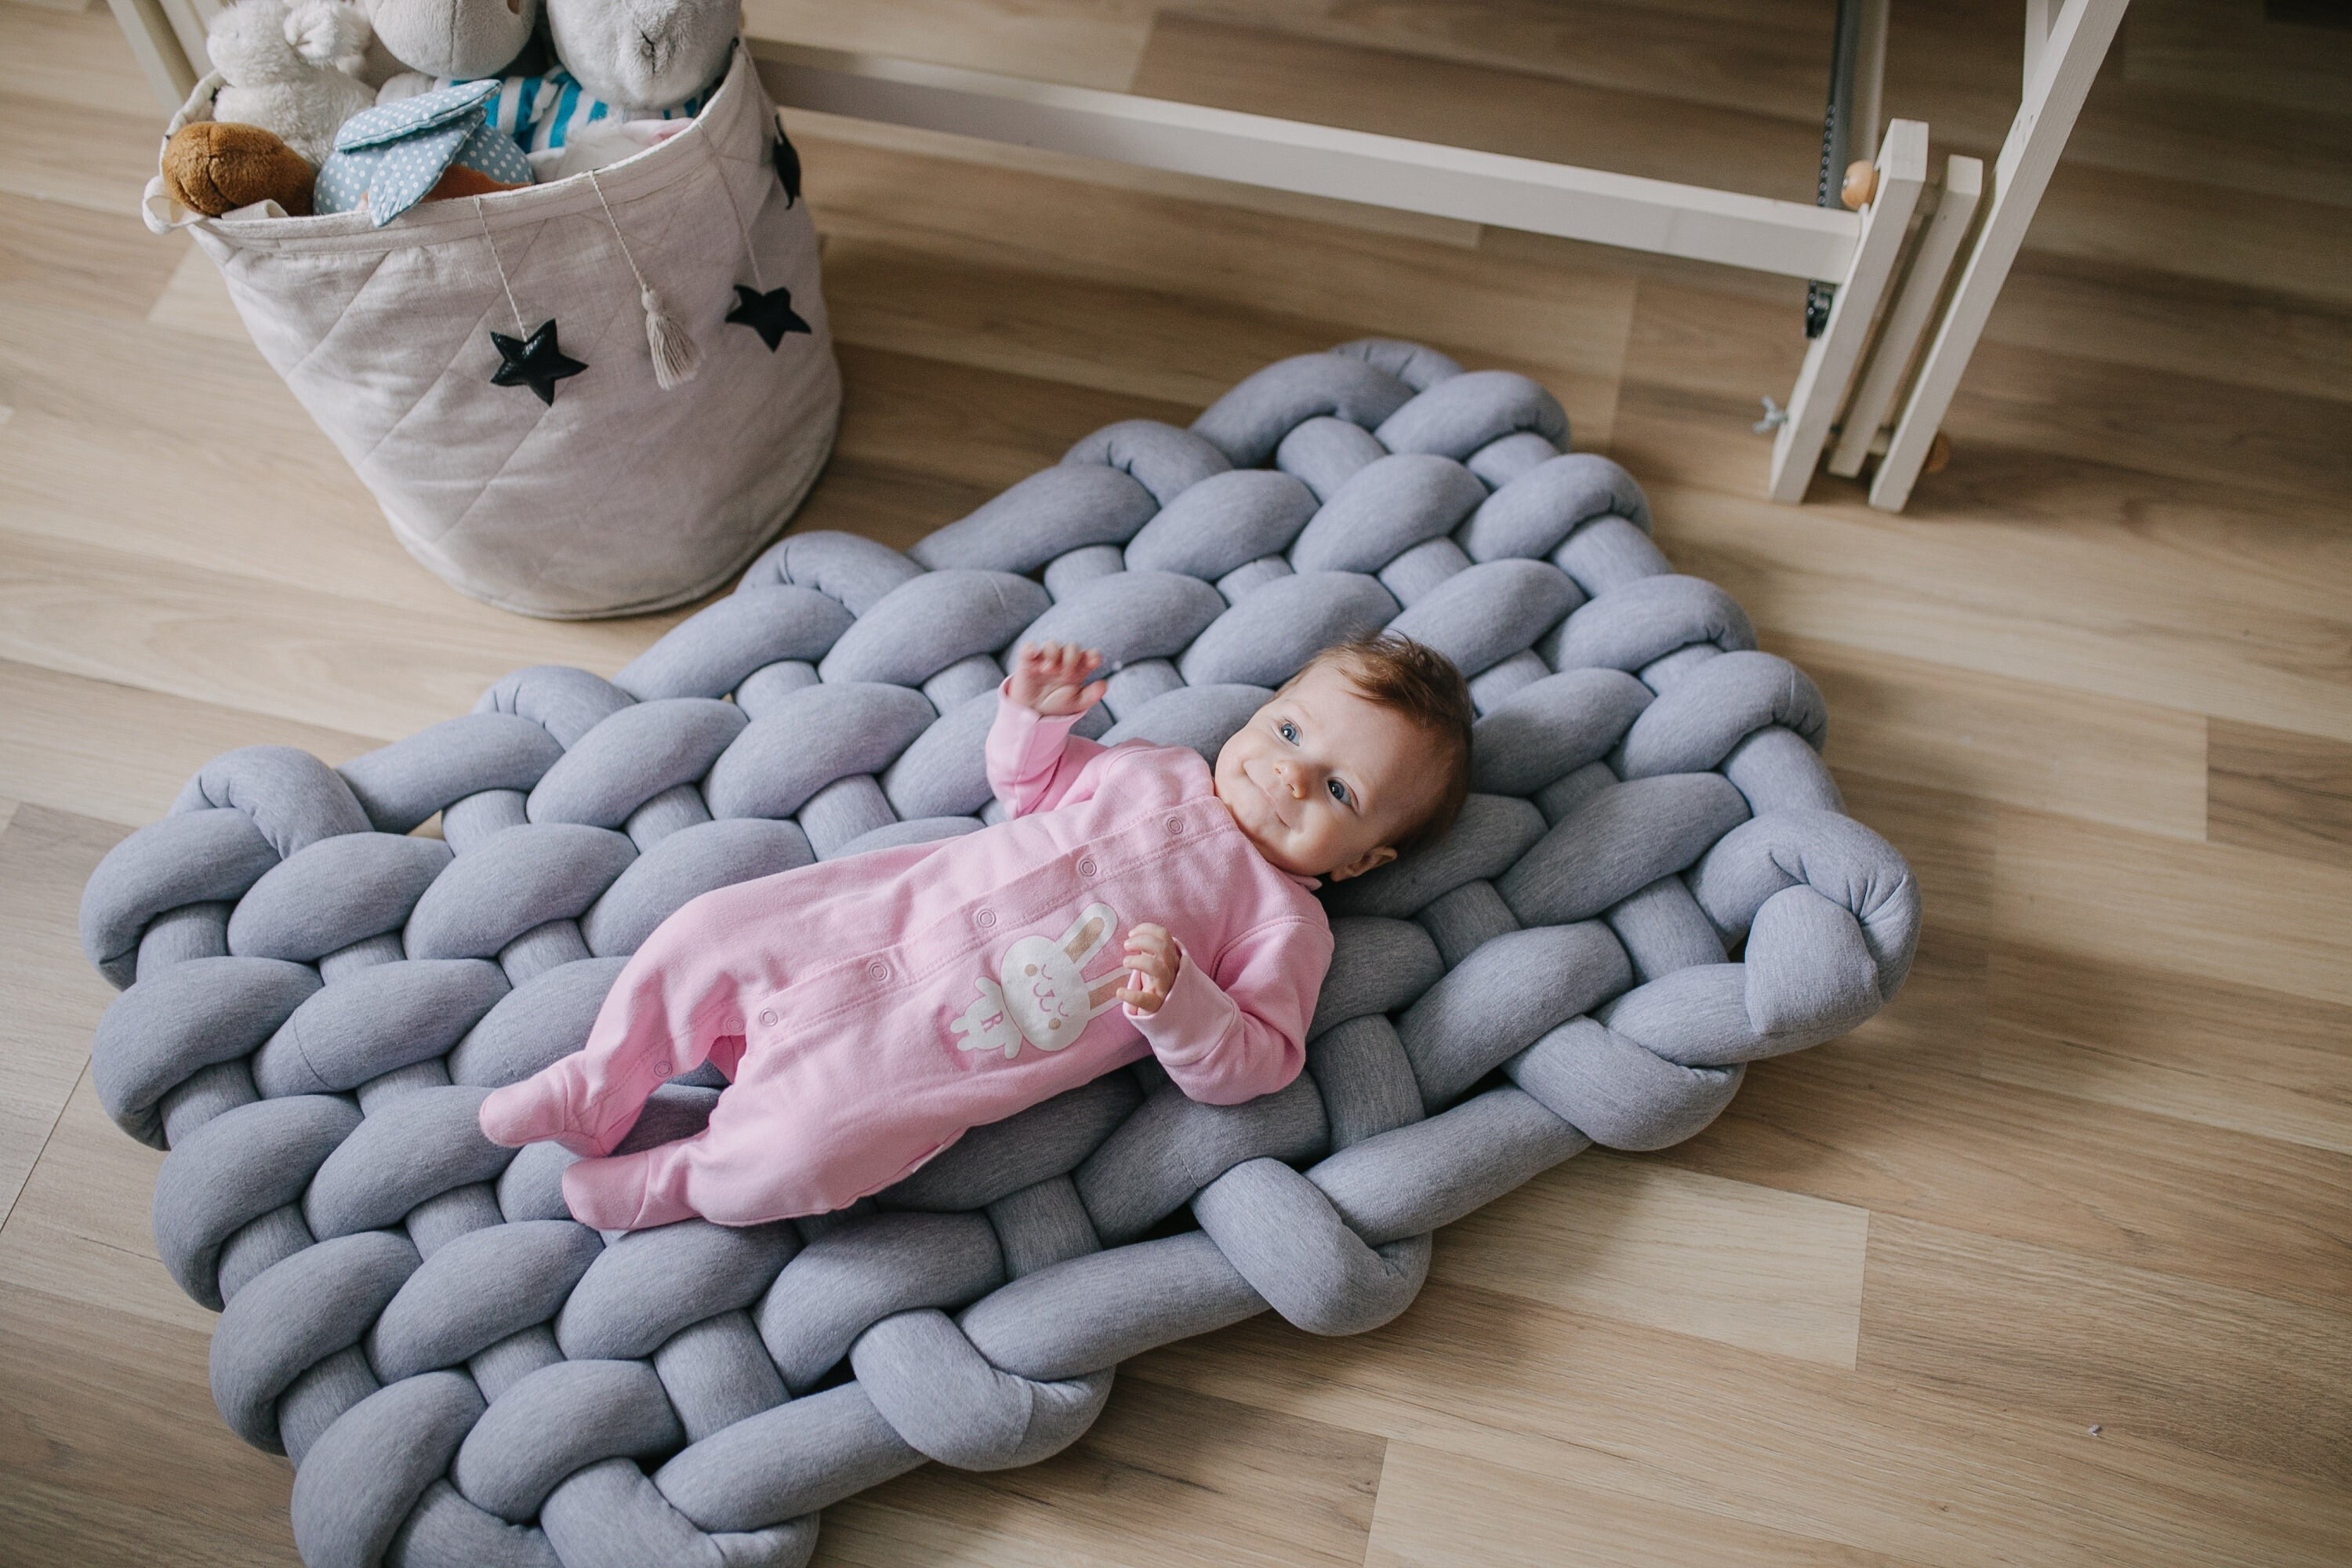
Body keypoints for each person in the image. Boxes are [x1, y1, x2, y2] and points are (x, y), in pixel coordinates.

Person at [478, 631, 1474, 1230]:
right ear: (1262, 713)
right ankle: (603, 1078)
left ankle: (669, 1179)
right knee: (708, 928)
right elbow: (1030, 786)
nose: (1290, 773)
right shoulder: (1154, 766)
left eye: (1340, 788)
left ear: (1359, 862)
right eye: (1293, 733)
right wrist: (1033, 717)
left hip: (928, 1050)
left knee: (812, 1150)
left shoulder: (1286, 920)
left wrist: (1185, 1003)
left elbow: (1259, 1062)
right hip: (862, 920)